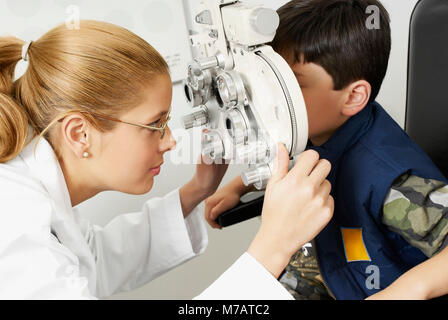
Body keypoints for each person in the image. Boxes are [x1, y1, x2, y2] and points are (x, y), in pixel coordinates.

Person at [0, 20, 334, 299]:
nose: (171, 141)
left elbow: (90, 260)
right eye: (155, 124)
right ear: (79, 134)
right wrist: (273, 247)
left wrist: (197, 190)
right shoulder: (16, 229)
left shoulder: (31, 191)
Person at [205, 0, 448, 300]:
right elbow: (289, 166)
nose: (275, 99)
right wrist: (239, 187)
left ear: (353, 97)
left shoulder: (390, 178)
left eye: (292, 86)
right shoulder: (305, 131)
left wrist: (411, 289)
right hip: (325, 268)